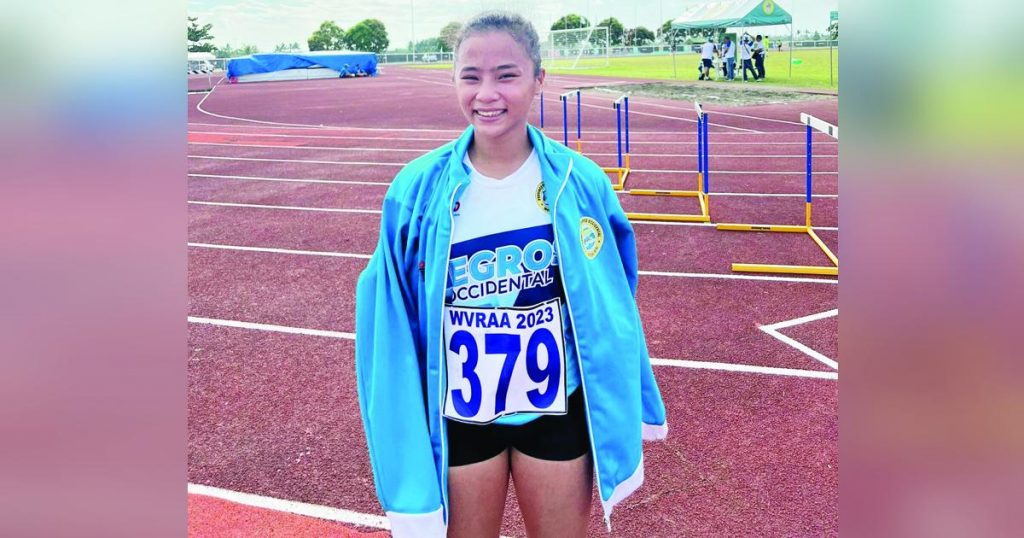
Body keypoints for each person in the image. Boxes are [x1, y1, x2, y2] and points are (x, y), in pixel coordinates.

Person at [355, 11, 668, 538]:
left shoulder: (579, 181)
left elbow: (614, 296)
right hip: (459, 415)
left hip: (556, 406)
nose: (487, 93)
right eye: (470, 76)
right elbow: (390, 316)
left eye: (506, 75)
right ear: (453, 80)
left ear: (538, 79)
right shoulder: (416, 191)